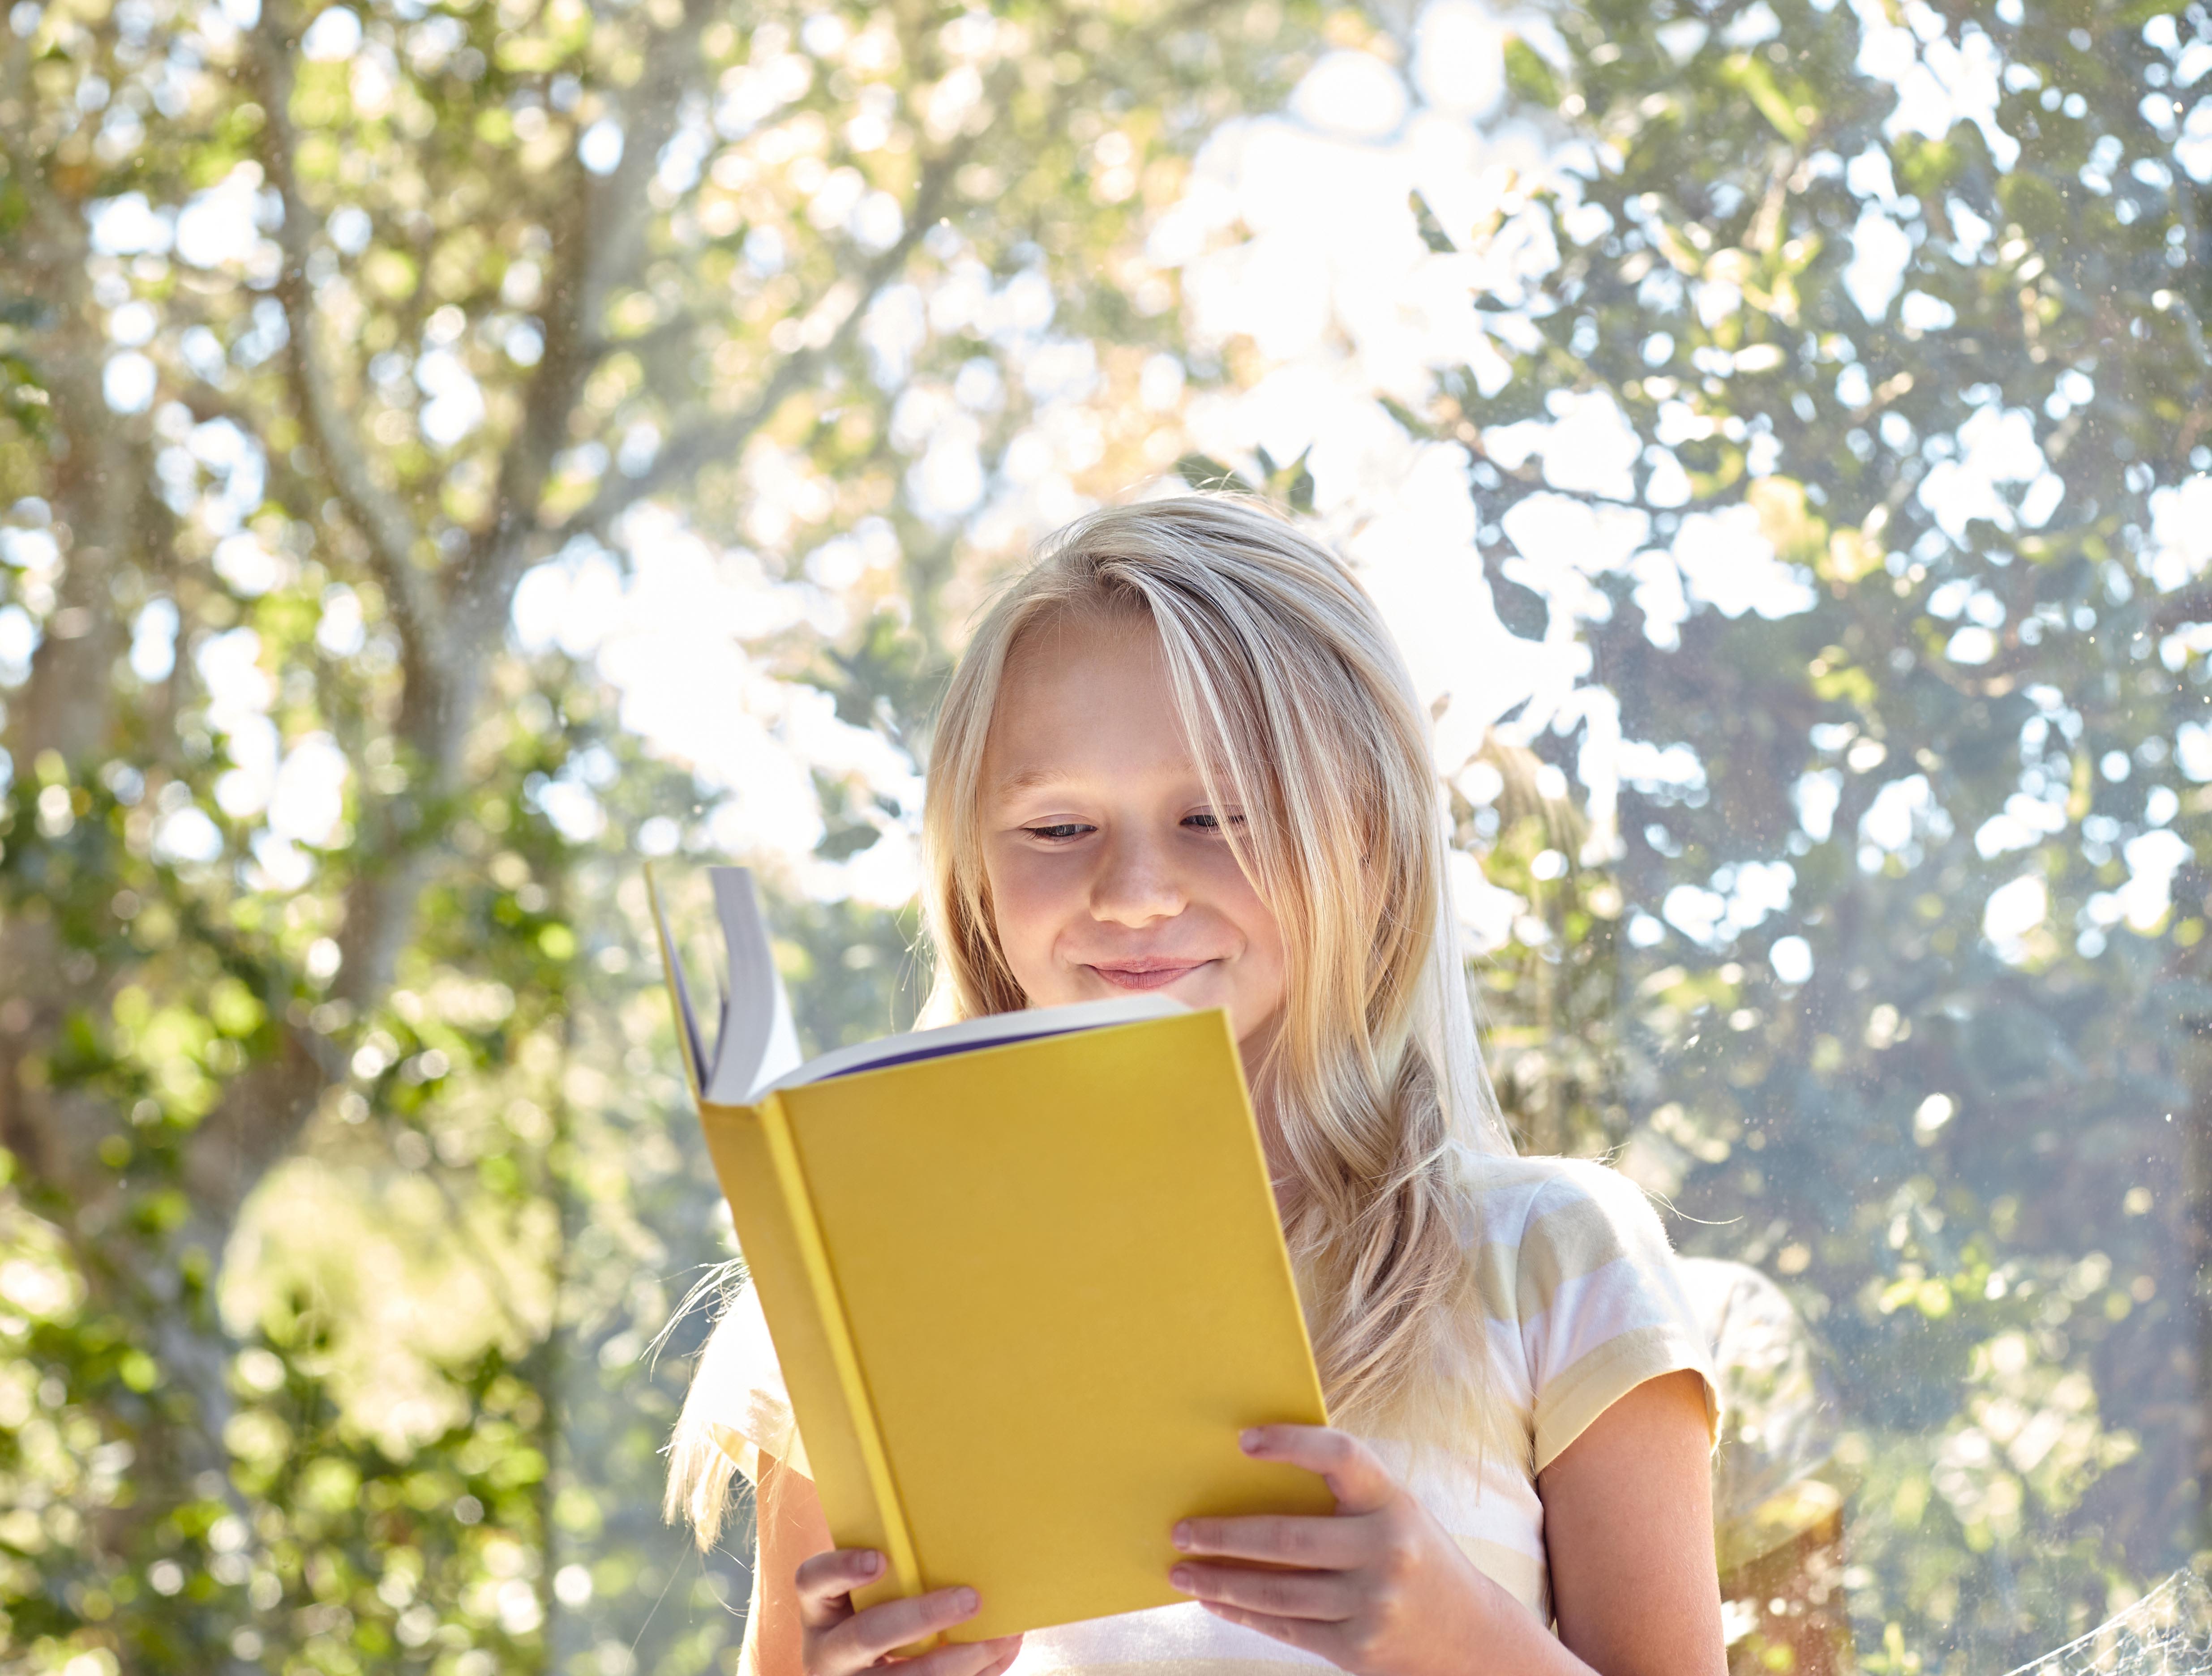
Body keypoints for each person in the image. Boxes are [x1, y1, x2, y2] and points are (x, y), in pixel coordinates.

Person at [664, 496, 1728, 1676]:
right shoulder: (863, 1303)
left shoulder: (1550, 1259)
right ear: (971, 874)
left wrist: (1456, 1640)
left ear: (1368, 838)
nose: (1133, 892)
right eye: (1058, 826)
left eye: (1216, 815)